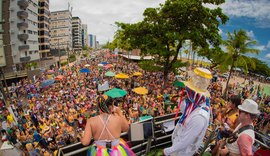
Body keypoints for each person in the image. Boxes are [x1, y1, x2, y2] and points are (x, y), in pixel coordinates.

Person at [163, 68, 213, 156]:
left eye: (189, 89)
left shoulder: (199, 116)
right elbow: (184, 111)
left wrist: (167, 151)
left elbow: (185, 141)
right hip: (178, 148)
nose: (186, 91)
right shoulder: (195, 105)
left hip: (182, 152)